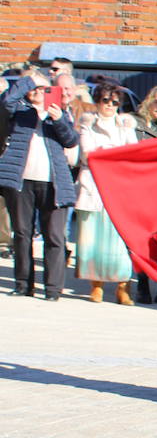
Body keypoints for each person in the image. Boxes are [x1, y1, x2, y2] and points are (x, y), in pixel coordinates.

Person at [0, 70, 79, 301]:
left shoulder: (59, 113)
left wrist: (58, 119)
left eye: (44, 89)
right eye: (35, 89)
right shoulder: (20, 111)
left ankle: (53, 289)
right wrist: (29, 80)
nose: (38, 92)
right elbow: (6, 103)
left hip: (53, 183)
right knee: (22, 233)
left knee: (54, 236)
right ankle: (23, 284)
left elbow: (71, 141)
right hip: (22, 181)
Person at [73, 82, 138, 304]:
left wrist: (108, 155)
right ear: (98, 101)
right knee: (94, 239)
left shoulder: (126, 125)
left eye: (115, 102)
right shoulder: (88, 124)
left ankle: (123, 286)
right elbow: (87, 154)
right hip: (93, 187)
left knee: (120, 242)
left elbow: (133, 153)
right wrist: (111, 155)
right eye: (106, 101)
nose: (110, 105)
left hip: (119, 188)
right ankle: (96, 285)